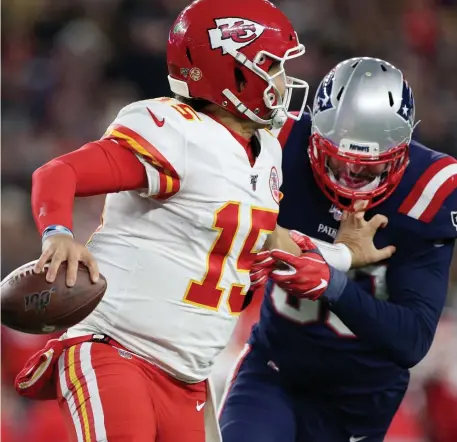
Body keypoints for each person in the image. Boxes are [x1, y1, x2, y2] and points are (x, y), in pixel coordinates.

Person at [12, 3, 389, 442]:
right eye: (272, 65)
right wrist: (57, 233)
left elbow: (265, 236)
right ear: (231, 72)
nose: (284, 81)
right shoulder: (174, 130)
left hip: (188, 380)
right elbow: (59, 173)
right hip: (116, 350)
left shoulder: (265, 151)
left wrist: (344, 254)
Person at [219, 57, 457, 442]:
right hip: (276, 370)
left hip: (359, 402)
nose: (347, 180)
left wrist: (334, 285)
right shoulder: (282, 145)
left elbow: (411, 339)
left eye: (366, 170)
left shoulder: (428, 191)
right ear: (315, 135)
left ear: (400, 154)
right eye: (335, 161)